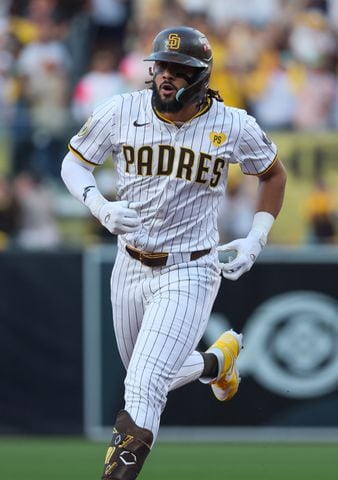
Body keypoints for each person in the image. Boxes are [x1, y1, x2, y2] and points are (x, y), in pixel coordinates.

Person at [61, 26, 287, 480]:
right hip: (129, 263)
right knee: (145, 377)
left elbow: (273, 174)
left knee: (144, 385)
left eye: (179, 69)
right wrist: (100, 206)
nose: (166, 75)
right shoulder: (123, 109)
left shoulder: (232, 123)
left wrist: (256, 237)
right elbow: (75, 162)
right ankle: (215, 362)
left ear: (202, 76)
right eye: (162, 65)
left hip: (191, 268)